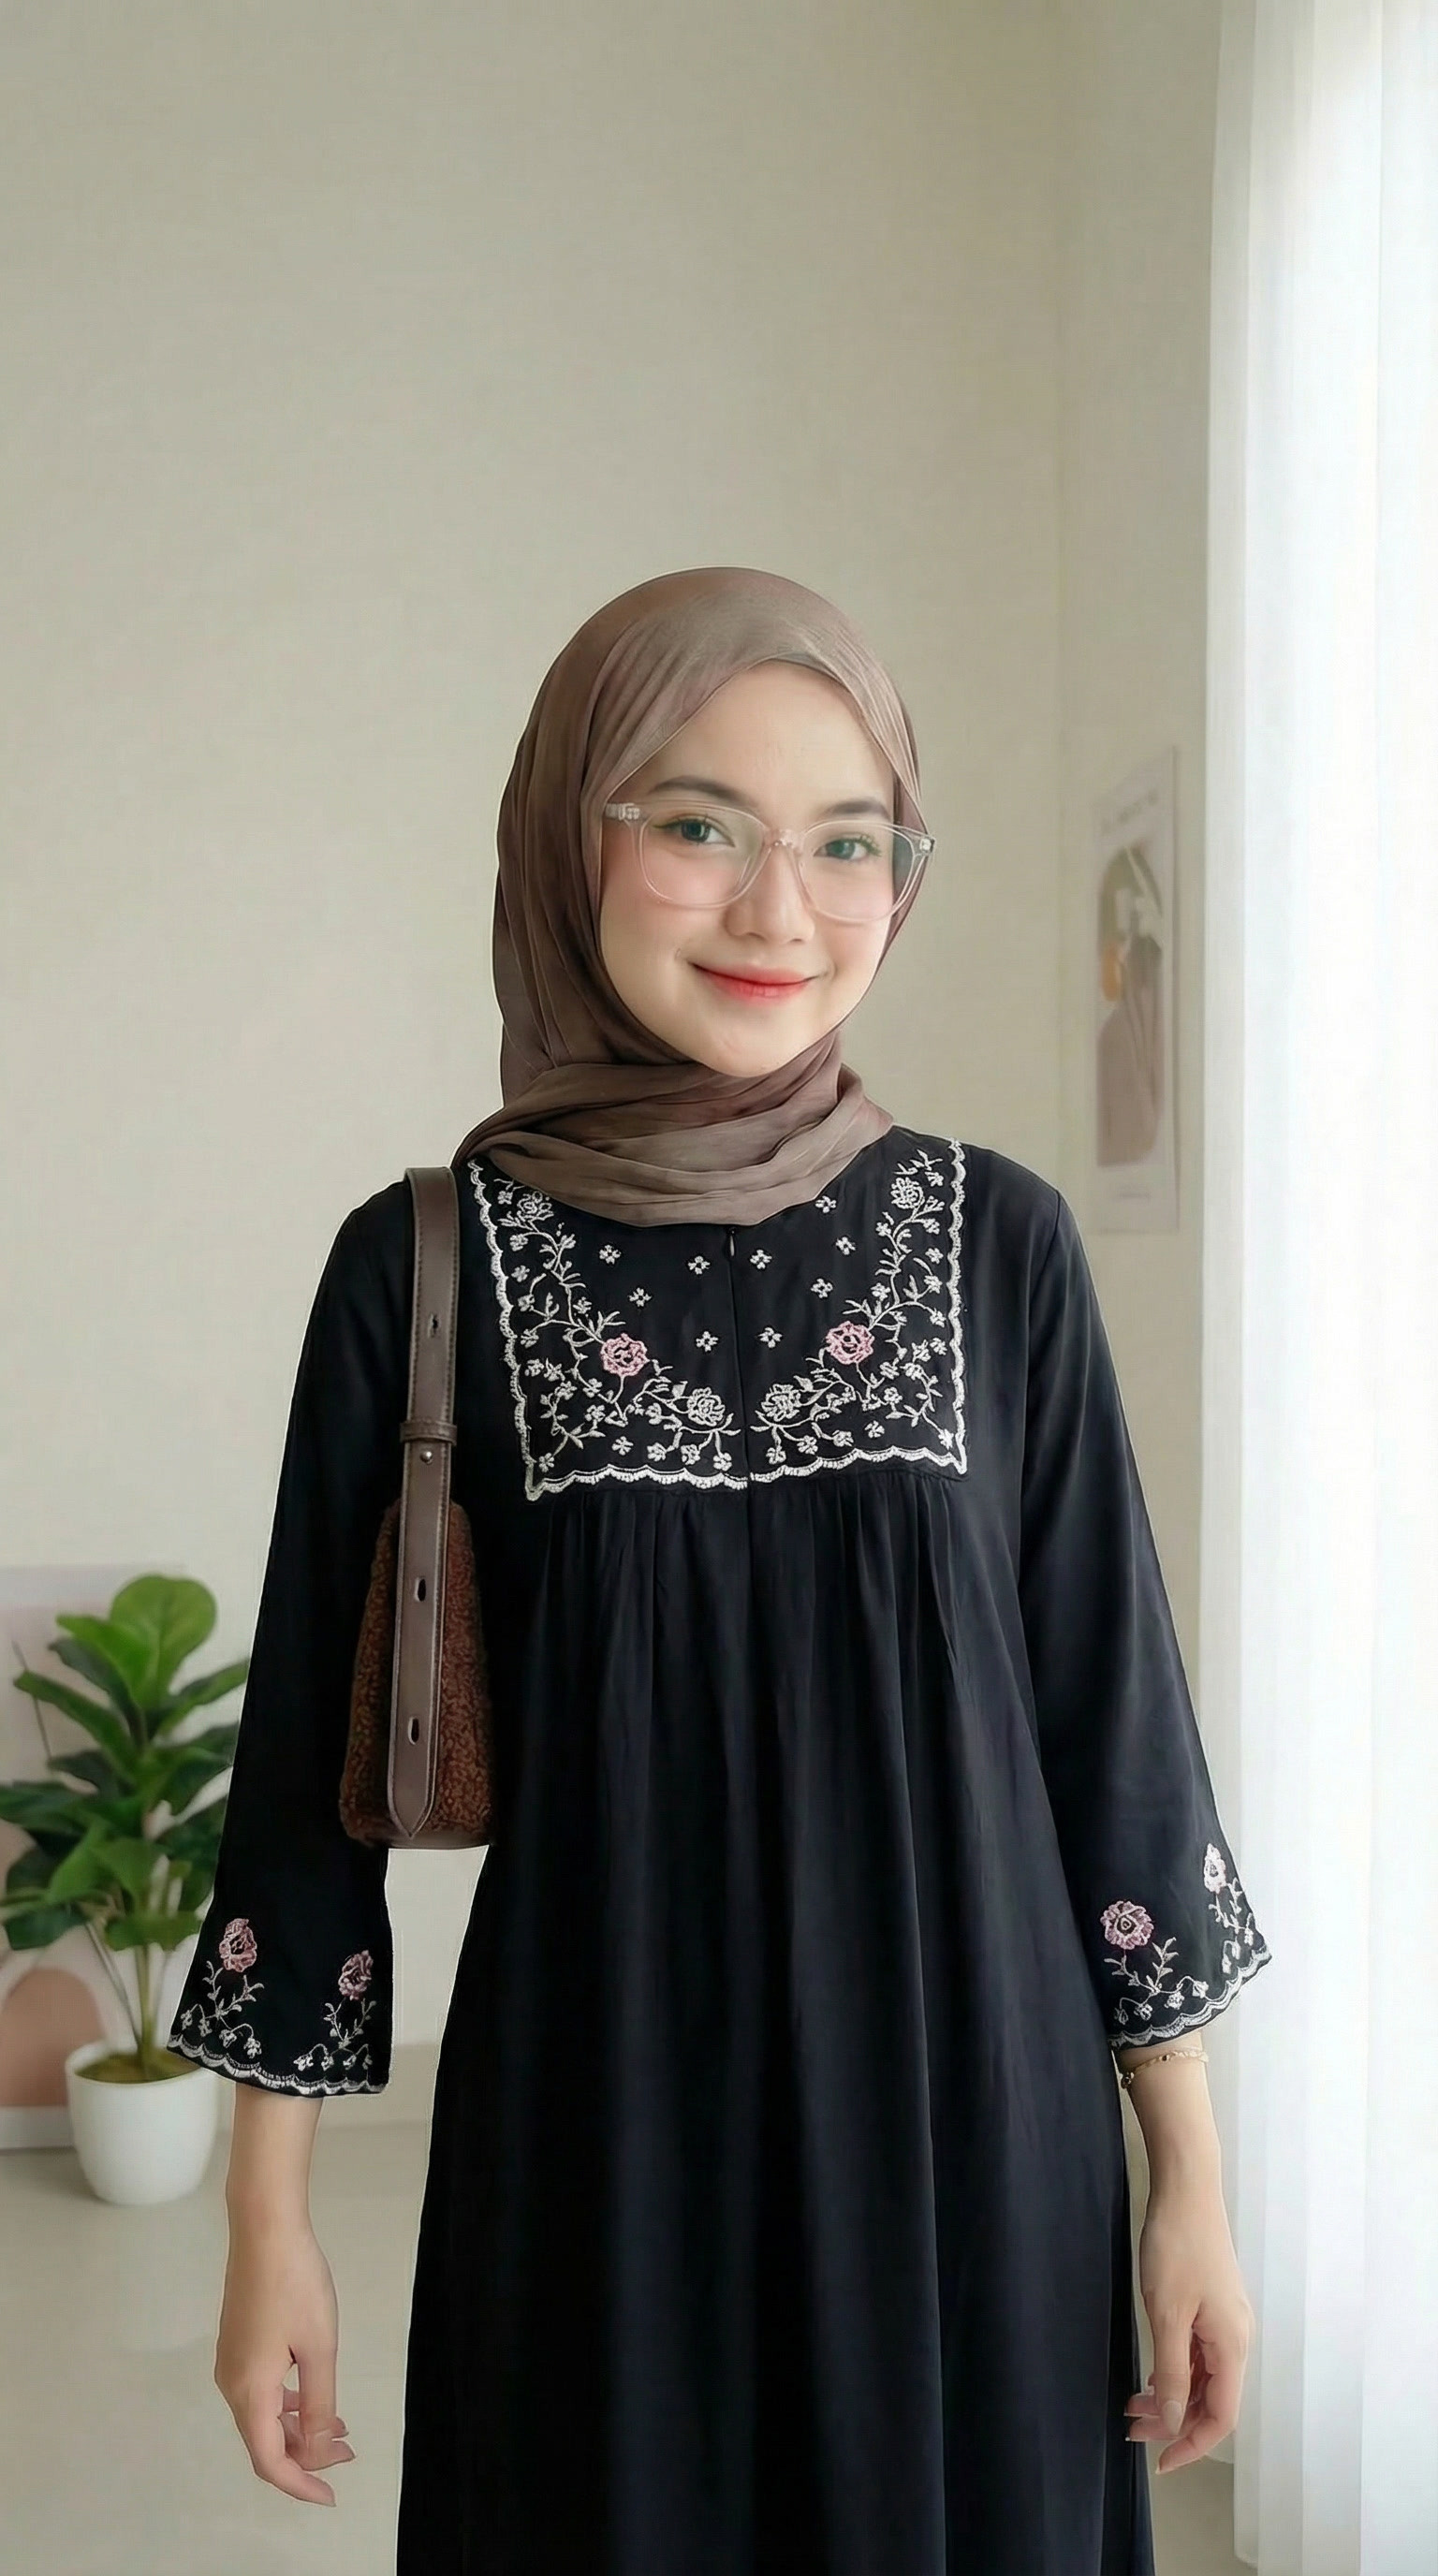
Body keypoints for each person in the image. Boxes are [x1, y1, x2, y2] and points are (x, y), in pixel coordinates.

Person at [166, 565, 1272, 2575]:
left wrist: (1188, 2173)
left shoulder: (999, 1242)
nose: (783, 910)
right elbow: (304, 1801)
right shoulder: (425, 1269)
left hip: (977, 2148)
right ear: (566, 835)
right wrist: (269, 2225)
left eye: (849, 842)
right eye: (699, 824)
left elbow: (1115, 1733)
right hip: (602, 2147)